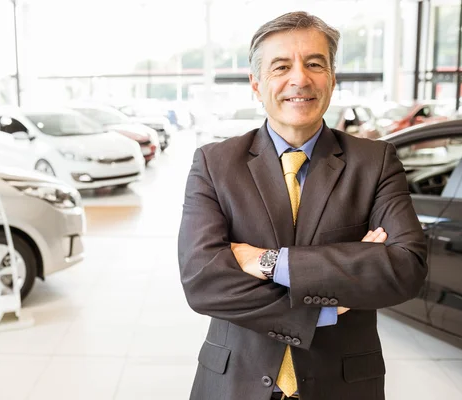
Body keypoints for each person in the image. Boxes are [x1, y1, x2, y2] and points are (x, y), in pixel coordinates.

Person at [177, 11, 427, 400]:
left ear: (332, 78)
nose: (300, 78)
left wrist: (269, 262)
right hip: (234, 383)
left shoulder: (374, 161)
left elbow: (407, 268)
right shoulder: (214, 163)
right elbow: (203, 282)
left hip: (342, 386)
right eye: (281, 66)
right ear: (256, 84)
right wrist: (330, 299)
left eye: (315, 64)